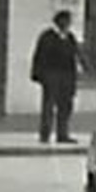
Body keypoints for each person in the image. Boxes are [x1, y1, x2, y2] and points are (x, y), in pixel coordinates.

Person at [30, 10, 82, 144]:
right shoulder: (47, 37)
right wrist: (39, 75)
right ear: (59, 22)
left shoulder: (70, 37)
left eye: (69, 22)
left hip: (67, 77)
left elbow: (75, 55)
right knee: (48, 105)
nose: (68, 24)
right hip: (51, 76)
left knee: (65, 106)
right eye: (66, 21)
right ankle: (45, 134)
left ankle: (62, 134)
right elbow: (39, 57)